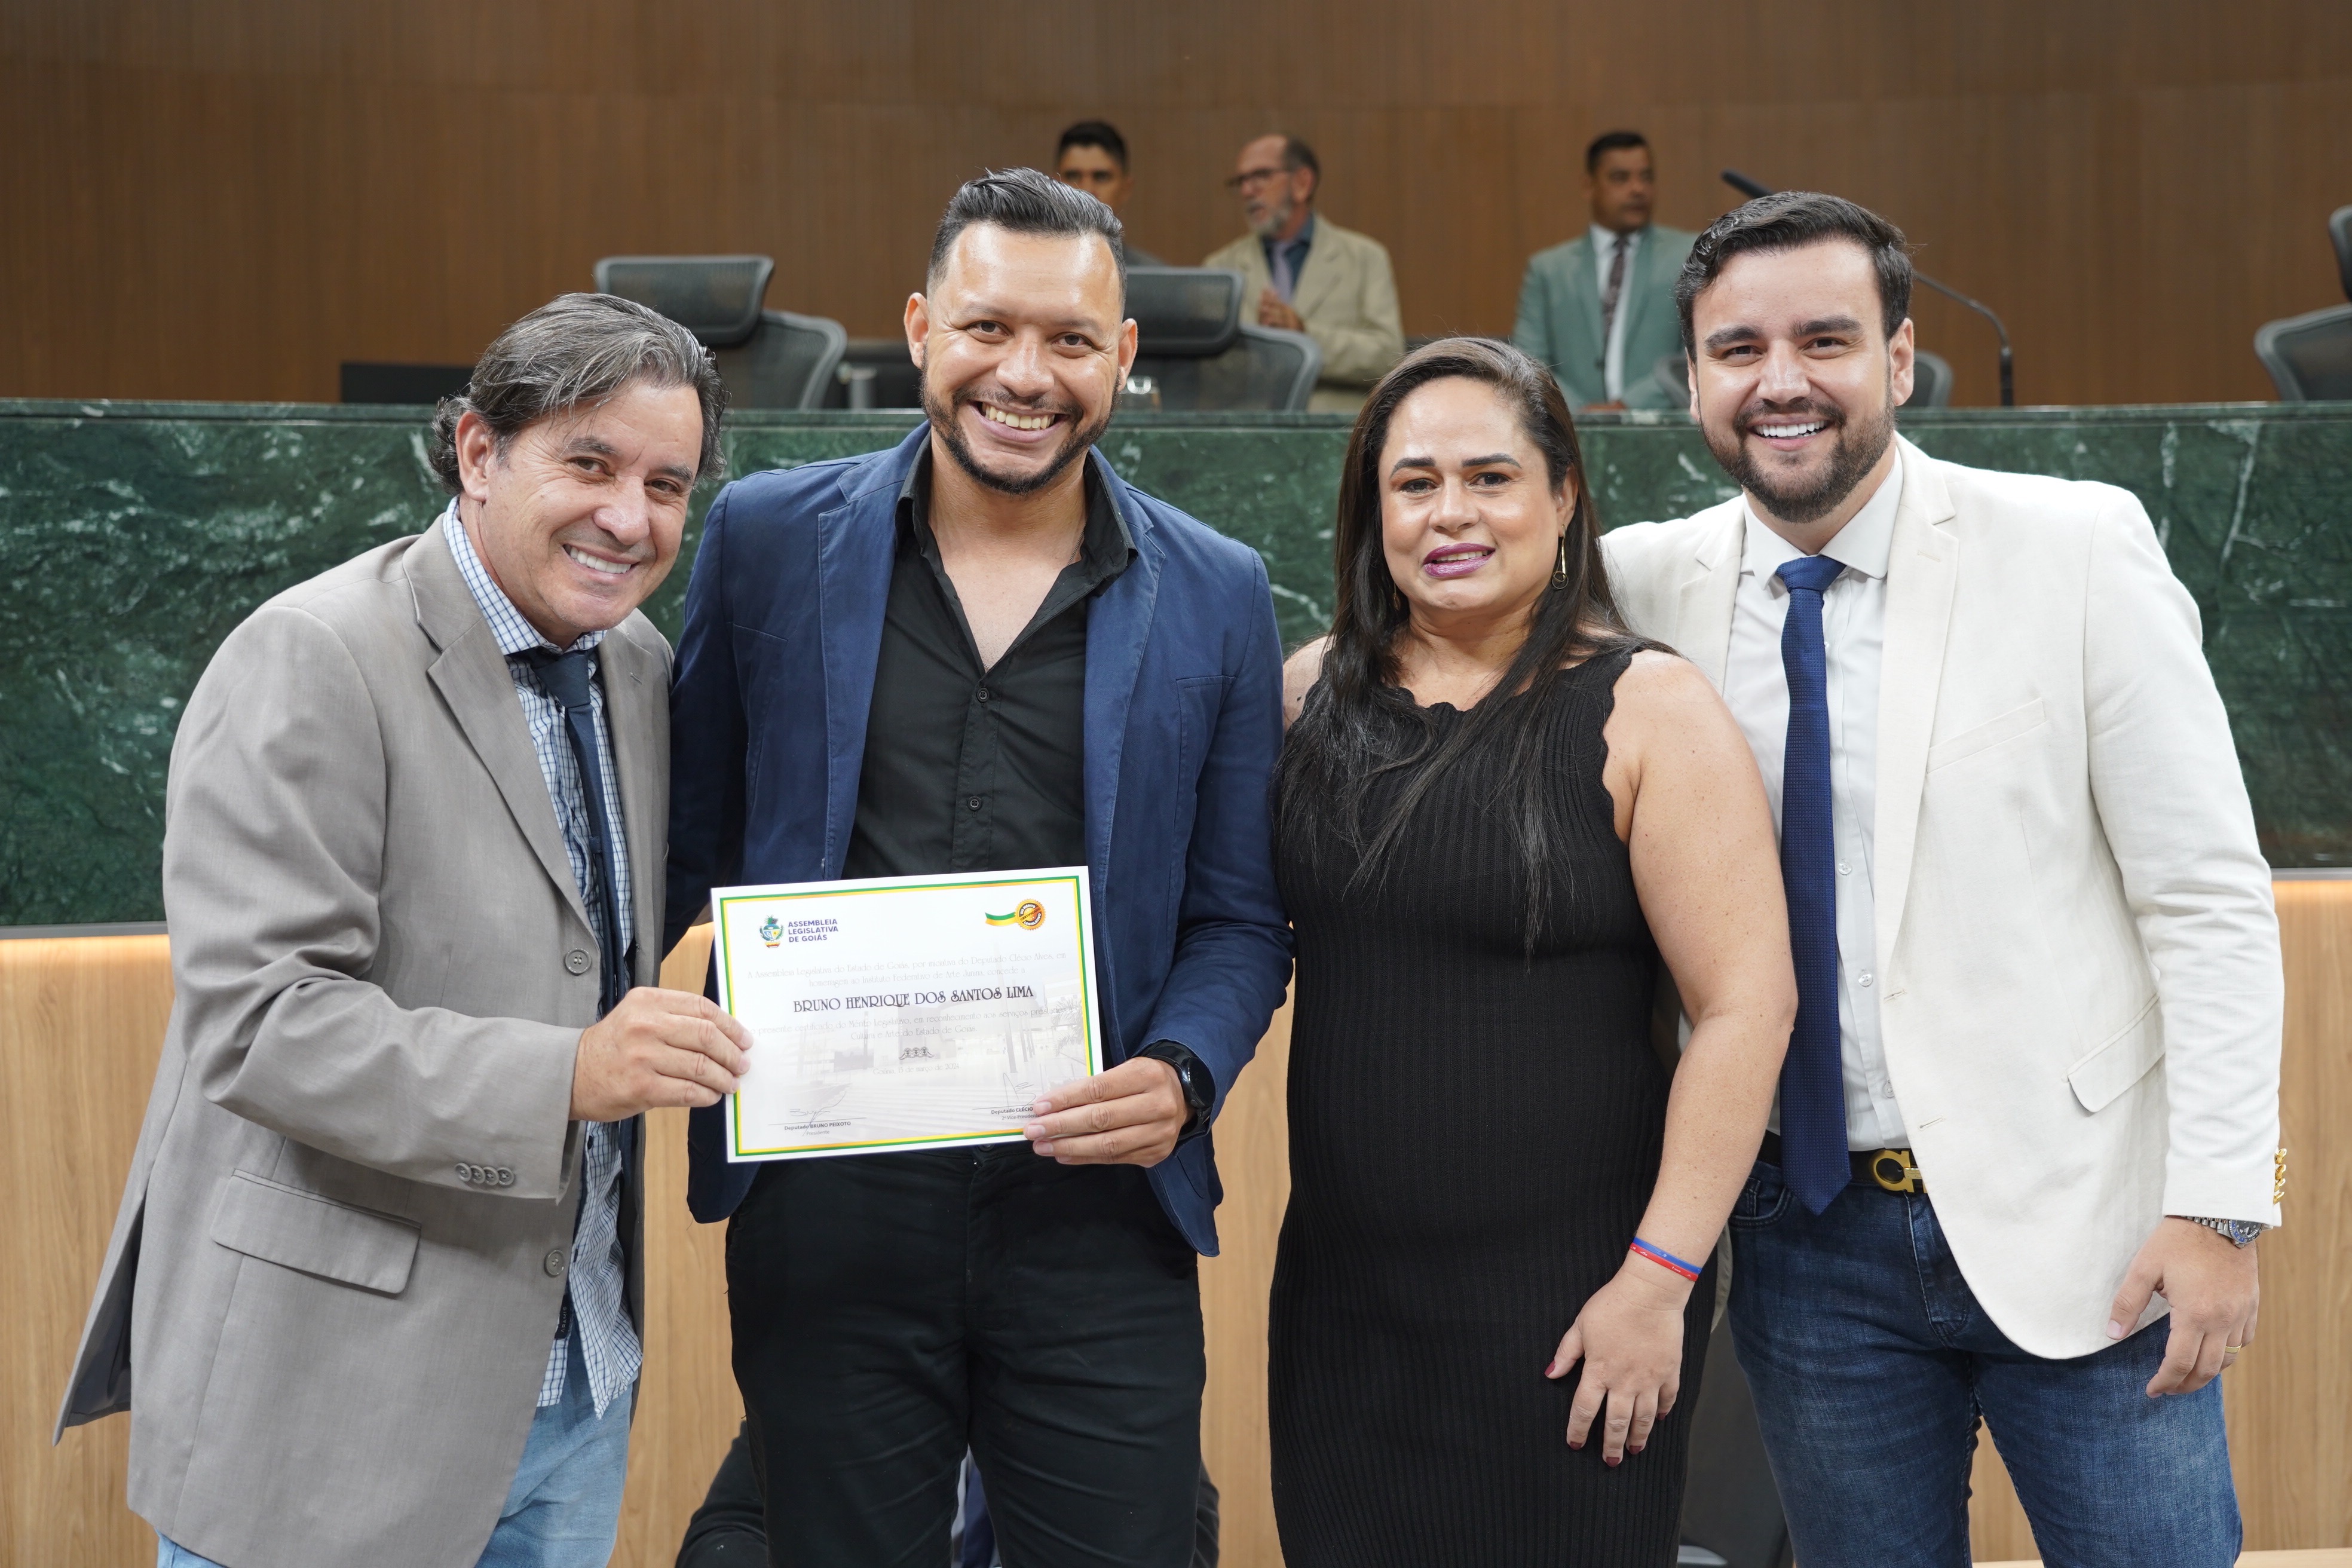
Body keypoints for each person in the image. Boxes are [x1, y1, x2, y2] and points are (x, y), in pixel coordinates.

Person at [1601, 191, 2283, 1567]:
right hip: (1807, 1243)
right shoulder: (1640, 583)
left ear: (1900, 360)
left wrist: (2217, 1204)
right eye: (1738, 349)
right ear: (1693, 380)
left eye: (1825, 340)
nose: (1780, 380)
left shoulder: (2076, 546)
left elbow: (2206, 897)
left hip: (2086, 1223)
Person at [56, 294, 754, 1568]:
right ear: (479, 450)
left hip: (579, 1386)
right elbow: (264, 1024)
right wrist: (571, 1072)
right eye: (590, 463)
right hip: (334, 1406)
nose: (631, 517)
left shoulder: (642, 666)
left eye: (667, 484)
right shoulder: (311, 653)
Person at [665, 167, 1292, 1567]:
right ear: (919, 329)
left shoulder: (1218, 590)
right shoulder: (765, 540)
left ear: (1123, 357)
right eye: (987, 327)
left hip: (1095, 1204)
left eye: (1070, 339)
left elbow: (1241, 914)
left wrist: (1184, 1071)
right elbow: (685, 841)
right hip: (829, 1197)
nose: (1024, 374)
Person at [1269, 337, 1797, 1566]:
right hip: (1347, 1316)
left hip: (1584, 1310)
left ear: (1562, 497)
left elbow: (1747, 1007)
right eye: (1413, 483)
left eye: (1490, 477)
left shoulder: (1650, 707)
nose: (1449, 512)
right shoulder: (1300, 699)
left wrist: (1658, 1281)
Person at [1203, 134, 1404, 413]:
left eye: (1261, 176)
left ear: (1302, 183)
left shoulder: (1365, 258)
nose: (1248, 191)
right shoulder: (1220, 268)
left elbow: (1387, 357)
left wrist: (1303, 335)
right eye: (1241, 181)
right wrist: (1262, 346)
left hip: (1337, 431)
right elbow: (1208, 373)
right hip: (1250, 429)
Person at [1513, 130, 1696, 411]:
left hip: (1664, 423)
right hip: (1571, 426)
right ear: (1589, 186)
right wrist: (1579, 413)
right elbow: (1528, 359)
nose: (1637, 189)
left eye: (1646, 177)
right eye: (1621, 178)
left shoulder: (1688, 256)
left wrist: (1627, 406)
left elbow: (1697, 349)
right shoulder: (1549, 270)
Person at [1055, 118, 1162, 264]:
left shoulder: (1153, 275)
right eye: (1073, 176)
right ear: (1053, 185)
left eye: (1101, 177)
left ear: (1125, 189)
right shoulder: (1030, 270)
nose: (1086, 190)